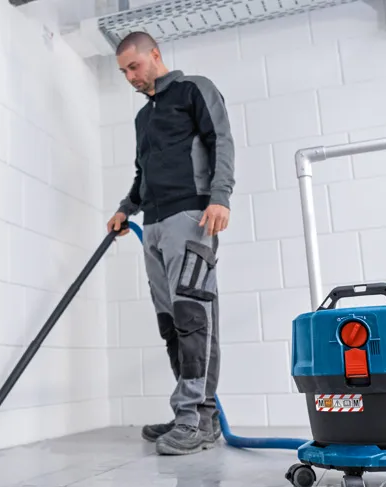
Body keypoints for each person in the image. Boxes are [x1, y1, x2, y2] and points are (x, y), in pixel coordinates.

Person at [106, 31, 235, 456]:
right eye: (124, 71)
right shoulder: (144, 118)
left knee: (192, 315)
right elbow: (142, 173)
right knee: (170, 323)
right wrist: (127, 208)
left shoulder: (193, 89)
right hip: (155, 225)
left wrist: (219, 198)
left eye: (134, 67)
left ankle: (195, 417)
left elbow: (221, 141)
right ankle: (194, 413)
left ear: (154, 55)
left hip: (191, 216)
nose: (129, 77)